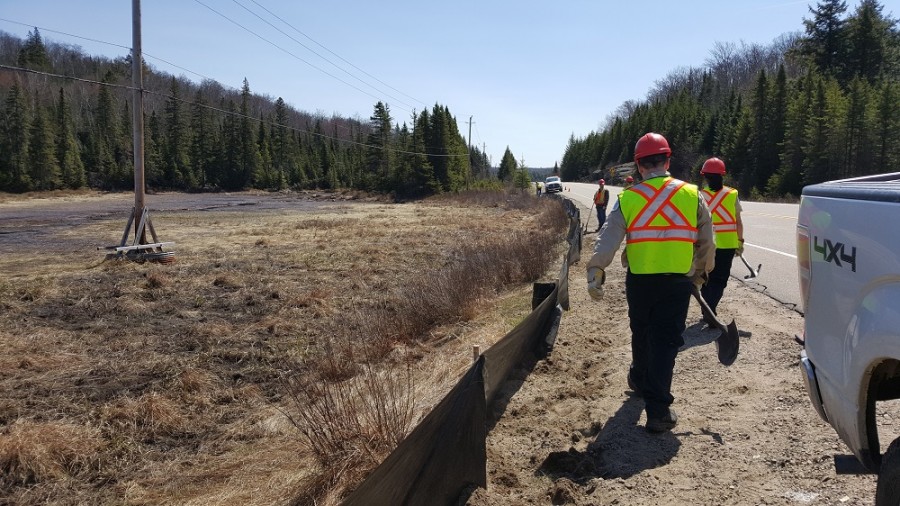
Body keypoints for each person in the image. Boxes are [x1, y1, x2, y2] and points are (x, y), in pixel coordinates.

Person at [585, 132, 715, 433]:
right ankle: (657, 411)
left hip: (640, 281)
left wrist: (596, 271)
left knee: (641, 330)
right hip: (677, 282)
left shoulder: (629, 198)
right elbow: (708, 243)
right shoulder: (692, 194)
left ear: (639, 166)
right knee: (666, 342)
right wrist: (700, 274)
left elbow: (608, 240)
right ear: (667, 160)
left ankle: (639, 378)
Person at [698, 157, 744, 320]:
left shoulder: (699, 195)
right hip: (727, 245)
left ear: (705, 176)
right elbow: (738, 221)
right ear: (722, 175)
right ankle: (710, 309)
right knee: (720, 280)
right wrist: (740, 241)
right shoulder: (732, 194)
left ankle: (707, 310)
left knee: (705, 278)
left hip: (705, 245)